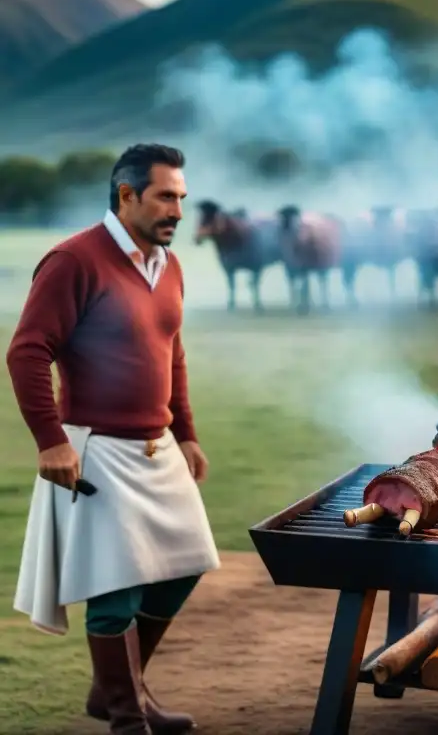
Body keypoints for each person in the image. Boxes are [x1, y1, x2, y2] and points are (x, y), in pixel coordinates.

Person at [6, 144, 220, 734]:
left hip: (159, 447)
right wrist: (51, 440)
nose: (177, 208)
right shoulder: (73, 260)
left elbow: (170, 350)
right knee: (113, 591)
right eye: (165, 197)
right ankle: (129, 720)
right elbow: (26, 351)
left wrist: (188, 432)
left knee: (183, 567)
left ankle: (115, 693)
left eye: (181, 196)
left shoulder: (168, 265)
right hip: (98, 449)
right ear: (126, 195)